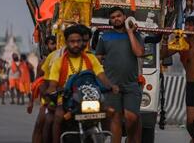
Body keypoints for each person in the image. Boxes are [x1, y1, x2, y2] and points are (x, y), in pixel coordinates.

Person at [46, 25, 119, 143]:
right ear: (66, 42)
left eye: (78, 41)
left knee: (111, 112)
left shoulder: (91, 58)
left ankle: (106, 137)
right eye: (72, 41)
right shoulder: (58, 62)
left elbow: (102, 76)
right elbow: (52, 85)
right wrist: (52, 91)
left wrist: (111, 86)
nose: (76, 44)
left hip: (90, 98)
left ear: (83, 42)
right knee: (58, 116)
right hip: (67, 99)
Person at [95, 7, 144, 143]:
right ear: (110, 20)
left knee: (131, 117)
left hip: (131, 84)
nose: (116, 19)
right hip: (112, 85)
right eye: (113, 17)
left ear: (125, 17)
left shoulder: (136, 35)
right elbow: (97, 58)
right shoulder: (105, 37)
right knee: (115, 119)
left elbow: (139, 53)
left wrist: (130, 32)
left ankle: (130, 138)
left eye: (119, 16)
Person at [161, 16, 194, 143]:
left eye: (192, 25)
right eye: (187, 25)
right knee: (190, 121)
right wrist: (165, 37)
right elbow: (163, 55)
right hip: (191, 85)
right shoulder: (181, 43)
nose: (189, 28)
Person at [31, 36, 58, 143]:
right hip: (49, 98)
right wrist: (31, 101)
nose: (55, 46)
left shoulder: (65, 58)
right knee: (41, 122)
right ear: (46, 46)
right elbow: (37, 81)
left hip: (67, 97)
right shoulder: (44, 62)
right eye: (52, 44)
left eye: (56, 43)